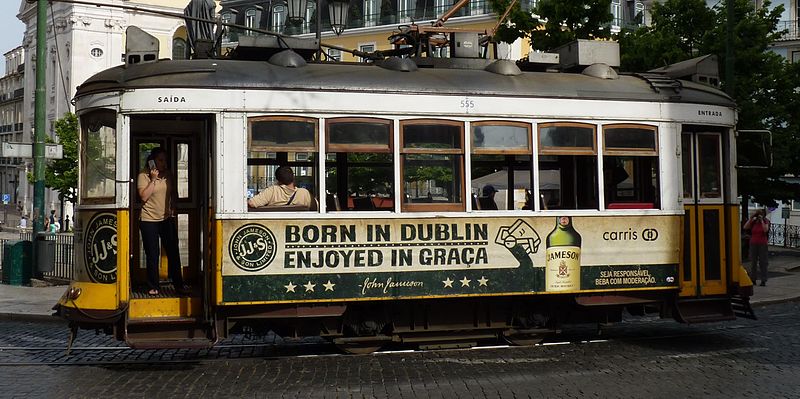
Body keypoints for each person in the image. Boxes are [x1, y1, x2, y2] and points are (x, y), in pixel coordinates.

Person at [137, 147, 188, 296]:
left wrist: (174, 206)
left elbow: (173, 192)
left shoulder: (168, 175)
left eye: (165, 160)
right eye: (160, 160)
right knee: (153, 254)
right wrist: (153, 180)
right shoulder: (143, 175)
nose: (163, 163)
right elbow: (143, 196)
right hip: (148, 220)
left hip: (166, 219)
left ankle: (179, 284)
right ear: (152, 161)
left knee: (173, 251)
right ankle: (154, 286)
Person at [248, 166, 312, 209]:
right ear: (293, 177)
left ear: (278, 180)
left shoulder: (273, 190)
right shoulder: (304, 193)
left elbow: (251, 203)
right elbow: (314, 208)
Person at [743, 209, 770, 286]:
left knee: (763, 262)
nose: (758, 216)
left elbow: (765, 230)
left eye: (760, 214)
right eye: (757, 214)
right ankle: (753, 279)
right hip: (753, 243)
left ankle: (763, 280)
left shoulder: (765, 221)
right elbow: (745, 227)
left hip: (762, 244)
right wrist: (751, 218)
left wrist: (761, 221)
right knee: (753, 262)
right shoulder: (754, 222)